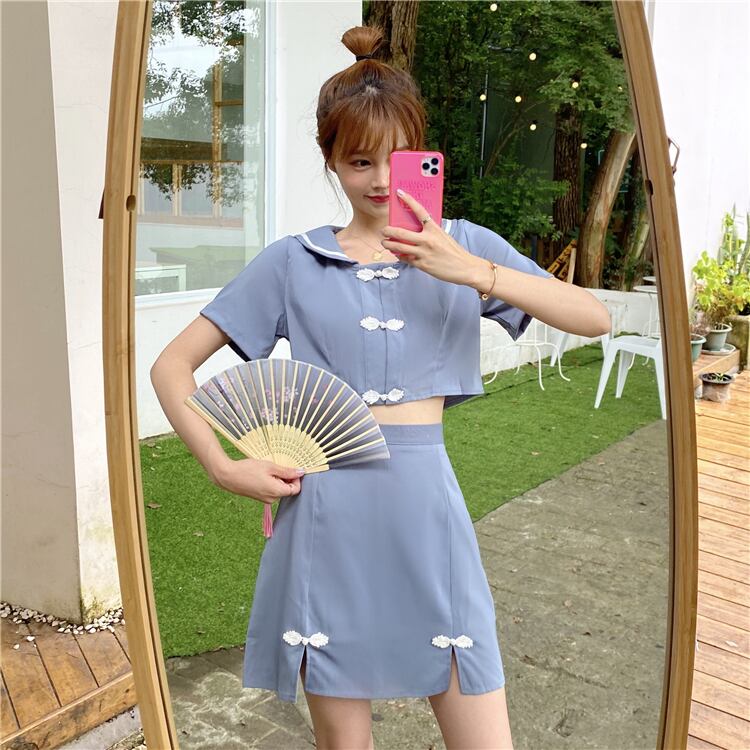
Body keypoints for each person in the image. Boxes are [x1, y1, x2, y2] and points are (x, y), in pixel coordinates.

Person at [150, 24, 611, 750]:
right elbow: (171, 366)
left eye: (393, 158)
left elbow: (595, 317)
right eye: (357, 160)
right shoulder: (293, 262)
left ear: (422, 153)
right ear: (330, 160)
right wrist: (223, 465)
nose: (377, 180)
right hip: (323, 518)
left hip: (428, 514)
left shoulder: (464, 245)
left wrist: (472, 272)